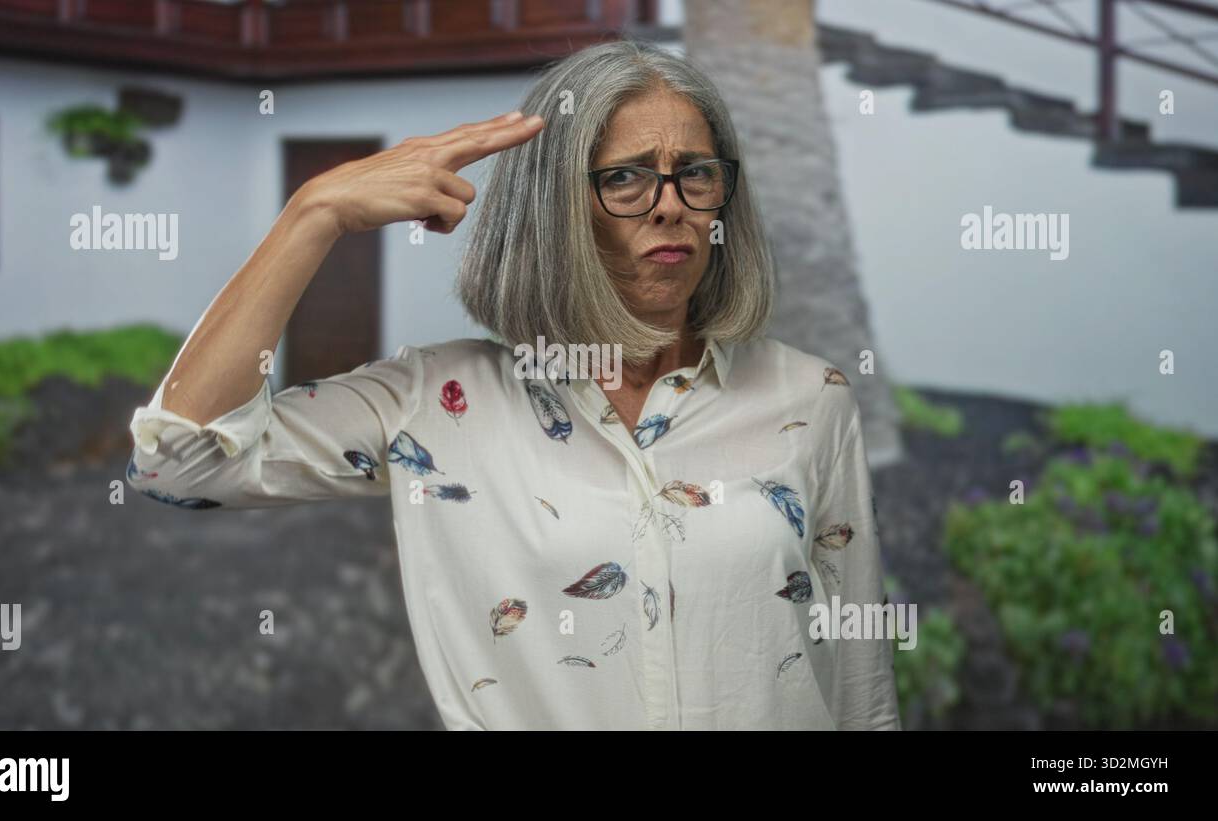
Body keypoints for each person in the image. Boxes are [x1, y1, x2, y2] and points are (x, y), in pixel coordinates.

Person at [127, 39, 901, 731]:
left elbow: (862, 693)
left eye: (693, 174)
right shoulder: (435, 404)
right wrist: (315, 212)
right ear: (557, 210)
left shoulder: (811, 396)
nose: (670, 205)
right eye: (626, 178)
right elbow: (180, 461)